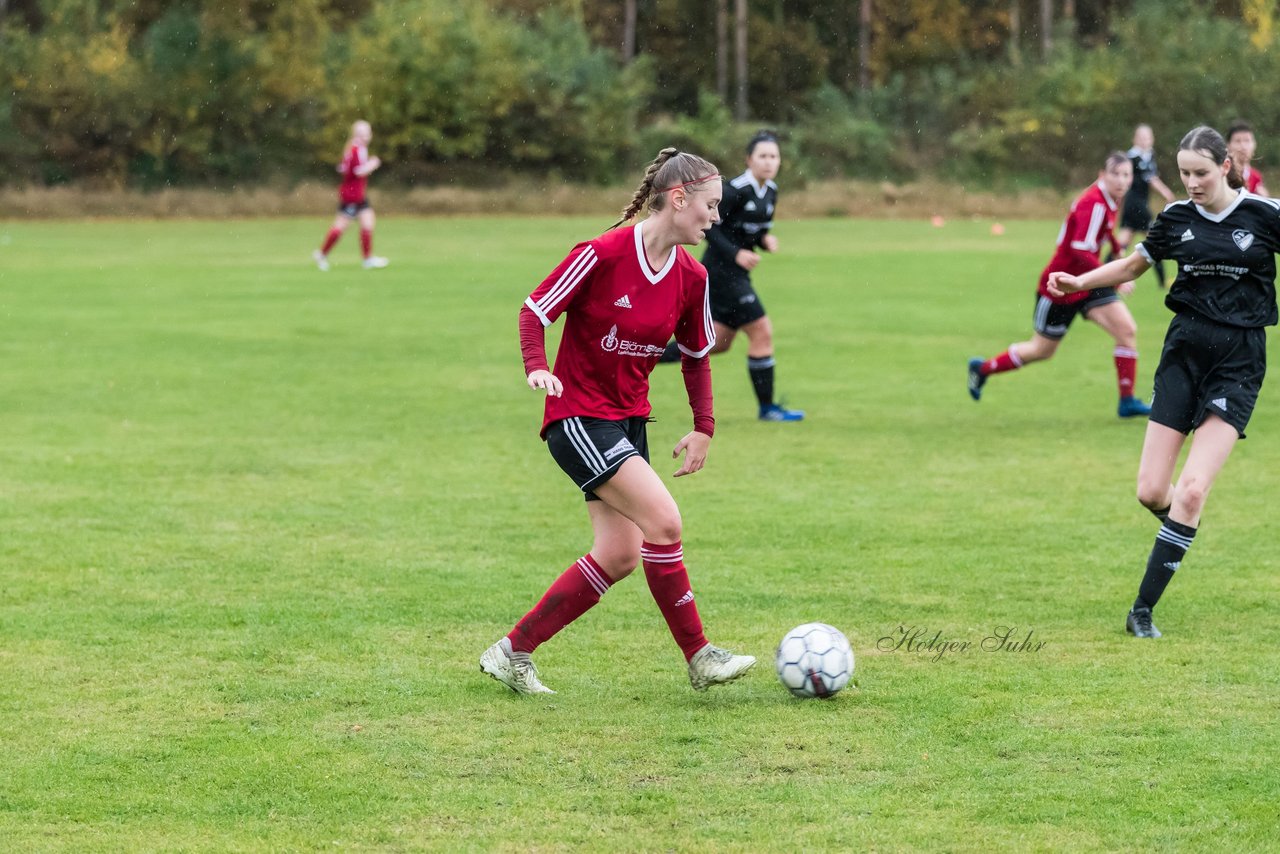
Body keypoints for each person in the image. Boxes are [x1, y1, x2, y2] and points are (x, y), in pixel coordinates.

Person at [479, 148, 757, 694]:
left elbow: (698, 354)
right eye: (711, 205)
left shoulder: (691, 276)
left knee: (621, 554)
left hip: (629, 422)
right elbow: (535, 310)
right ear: (678, 199)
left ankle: (513, 652)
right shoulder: (601, 253)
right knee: (666, 523)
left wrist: (704, 426)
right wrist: (537, 369)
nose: (716, 218)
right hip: (578, 416)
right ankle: (700, 656)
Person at [1048, 125, 1280, 639]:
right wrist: (1079, 282)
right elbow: (1135, 262)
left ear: (1225, 166)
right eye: (1184, 174)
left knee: (1192, 491)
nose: (1191, 183)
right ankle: (1181, 528)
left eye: (1200, 173)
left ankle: (1141, 611)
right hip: (1183, 357)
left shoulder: (1266, 216)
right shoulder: (1175, 219)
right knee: (1153, 490)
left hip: (1239, 363)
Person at [967, 152, 1152, 418]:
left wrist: (1115, 253)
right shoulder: (1095, 203)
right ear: (1102, 175)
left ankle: (1127, 401)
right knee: (1042, 350)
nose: (1122, 180)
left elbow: (1106, 231)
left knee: (1126, 330)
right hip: (1059, 286)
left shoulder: (1109, 200)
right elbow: (1080, 250)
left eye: (1127, 174)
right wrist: (1116, 275)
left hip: (1087, 282)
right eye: (1116, 174)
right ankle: (982, 369)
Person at [657, 131, 804, 422]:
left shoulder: (771, 191)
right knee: (761, 330)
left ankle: (643, 353)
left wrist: (764, 241)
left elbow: (751, 229)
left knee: (717, 343)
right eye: (762, 156)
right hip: (721, 272)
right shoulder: (734, 190)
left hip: (736, 274)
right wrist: (736, 254)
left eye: (773, 156)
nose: (768, 162)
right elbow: (710, 227)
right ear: (749, 159)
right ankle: (768, 409)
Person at [313, 120, 389, 271]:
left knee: (368, 222)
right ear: (360, 135)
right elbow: (357, 171)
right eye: (367, 133)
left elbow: (343, 168)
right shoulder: (357, 149)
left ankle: (367, 259)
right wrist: (372, 164)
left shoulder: (353, 148)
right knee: (340, 226)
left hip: (358, 195)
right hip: (352, 195)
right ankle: (321, 255)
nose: (369, 136)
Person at [1116, 124, 1177, 288]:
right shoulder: (1133, 157)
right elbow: (1151, 179)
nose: (1145, 141)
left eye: (1148, 137)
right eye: (1141, 137)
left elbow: (1152, 175)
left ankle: (1103, 271)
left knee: (1124, 241)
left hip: (1135, 204)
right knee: (1155, 239)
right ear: (1135, 139)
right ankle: (1163, 281)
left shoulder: (1148, 156)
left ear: (1152, 139)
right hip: (1136, 205)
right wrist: (1167, 193)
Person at [1227, 120, 1269, 196]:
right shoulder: (1224, 173)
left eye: (1247, 140)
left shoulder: (1256, 177)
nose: (1243, 146)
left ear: (1255, 144)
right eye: (1237, 141)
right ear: (1228, 145)